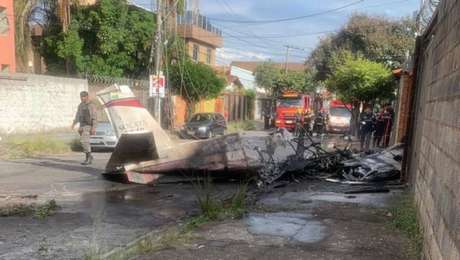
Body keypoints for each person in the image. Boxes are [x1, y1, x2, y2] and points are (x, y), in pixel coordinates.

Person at [71, 91, 97, 165]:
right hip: (82, 126)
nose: (82, 98)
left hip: (88, 125)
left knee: (84, 141)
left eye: (83, 96)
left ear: (87, 97)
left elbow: (94, 117)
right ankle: (89, 156)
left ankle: (88, 158)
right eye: (81, 97)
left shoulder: (91, 105)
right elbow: (78, 115)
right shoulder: (80, 105)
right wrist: (74, 123)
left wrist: (94, 128)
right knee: (84, 142)